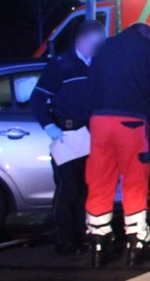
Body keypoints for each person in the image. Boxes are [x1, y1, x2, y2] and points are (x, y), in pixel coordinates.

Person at [85, 22, 150, 267]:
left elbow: (91, 84)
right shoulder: (148, 47)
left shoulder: (104, 46)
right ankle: (138, 240)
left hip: (99, 120)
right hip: (131, 121)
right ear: (147, 34)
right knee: (134, 178)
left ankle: (99, 241)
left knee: (100, 179)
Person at [29, 19, 106, 256]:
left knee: (85, 189)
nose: (98, 48)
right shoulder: (61, 65)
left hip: (89, 135)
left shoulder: (98, 64)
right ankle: (64, 241)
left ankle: (81, 235)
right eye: (95, 43)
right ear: (81, 40)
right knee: (68, 189)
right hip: (67, 135)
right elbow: (37, 99)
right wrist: (50, 126)